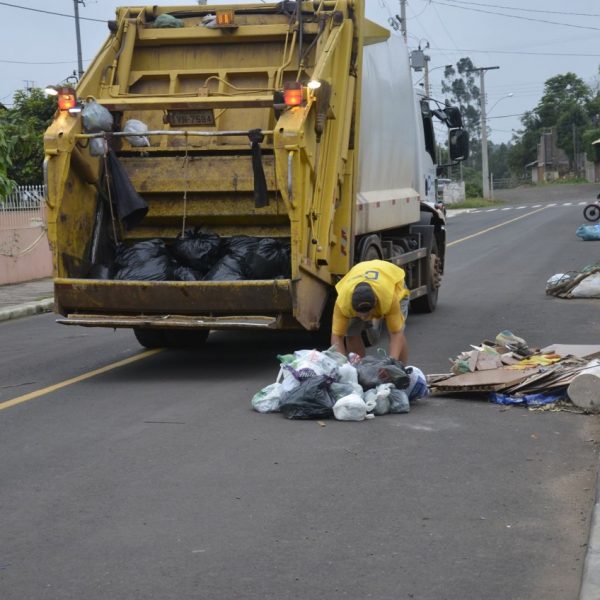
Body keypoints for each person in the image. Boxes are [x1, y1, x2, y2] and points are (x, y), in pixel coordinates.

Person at [330, 259, 409, 362]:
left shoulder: (389, 299)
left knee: (396, 331)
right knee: (351, 333)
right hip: (359, 273)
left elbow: (396, 334)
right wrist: (342, 364)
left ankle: (401, 372)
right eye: (360, 314)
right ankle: (359, 369)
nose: (363, 318)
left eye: (367, 313)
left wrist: (391, 365)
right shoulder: (343, 304)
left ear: (375, 303)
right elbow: (337, 336)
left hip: (392, 278)